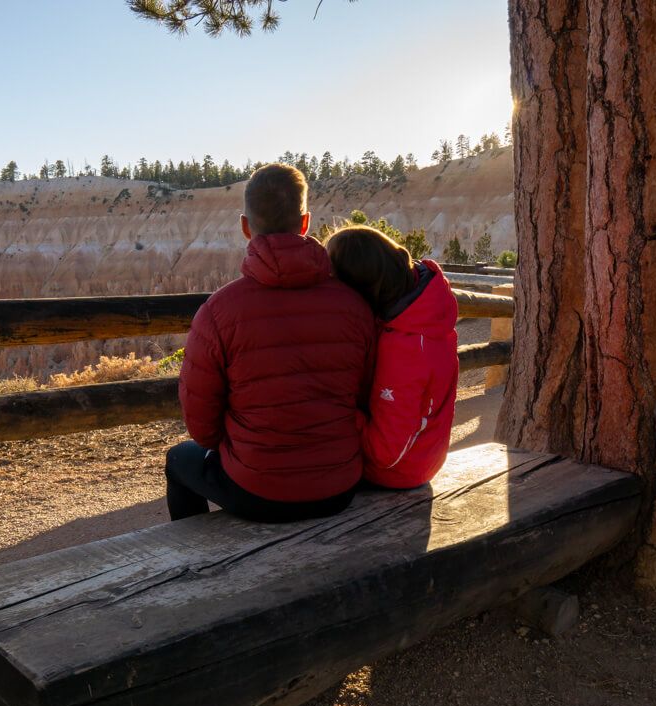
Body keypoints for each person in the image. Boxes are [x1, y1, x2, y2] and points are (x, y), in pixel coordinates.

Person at [165, 164, 376, 522]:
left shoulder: (218, 311)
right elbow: (365, 395)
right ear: (305, 222)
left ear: (246, 227)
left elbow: (201, 426)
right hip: (339, 487)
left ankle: (197, 565)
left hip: (257, 490)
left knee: (178, 460)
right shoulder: (354, 305)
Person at [324, 225, 459, 489]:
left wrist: (338, 407)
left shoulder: (407, 350)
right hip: (422, 458)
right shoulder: (418, 313)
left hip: (397, 472)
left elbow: (385, 452)